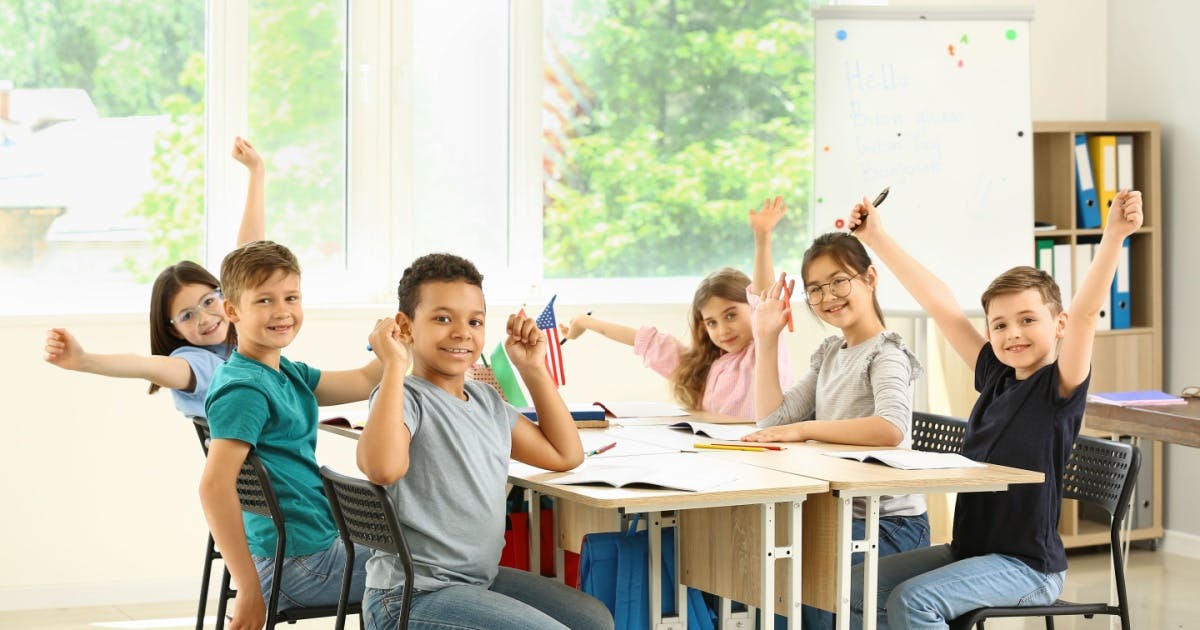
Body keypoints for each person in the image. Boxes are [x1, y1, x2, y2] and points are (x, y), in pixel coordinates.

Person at [846, 188, 1144, 629]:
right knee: (855, 588)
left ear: (1058, 324)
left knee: (913, 601)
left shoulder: (1058, 387)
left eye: (1028, 320)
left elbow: (1085, 314)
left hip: (1027, 567)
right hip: (970, 551)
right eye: (999, 325)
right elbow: (941, 305)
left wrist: (1115, 234)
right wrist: (877, 237)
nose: (1013, 334)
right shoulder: (996, 375)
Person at [356, 253, 613, 630]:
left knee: (595, 621)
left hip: (476, 581)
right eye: (443, 318)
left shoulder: (487, 401)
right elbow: (383, 467)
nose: (462, 332)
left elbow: (565, 455)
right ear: (406, 328)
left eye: (474, 321)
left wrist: (532, 368)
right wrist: (395, 364)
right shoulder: (404, 396)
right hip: (410, 595)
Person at [743, 231, 929, 630]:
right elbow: (773, 421)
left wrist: (806, 429)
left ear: (870, 278)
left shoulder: (887, 353)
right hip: (841, 514)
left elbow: (891, 427)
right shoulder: (830, 353)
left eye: (839, 281)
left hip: (890, 525)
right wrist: (766, 337)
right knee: (764, 557)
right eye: (815, 289)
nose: (828, 297)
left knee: (801, 565)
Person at [199, 240, 384, 630]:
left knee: (417, 552)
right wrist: (249, 590)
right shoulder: (246, 390)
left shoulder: (286, 373)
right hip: (299, 563)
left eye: (291, 297)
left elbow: (367, 379)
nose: (282, 311)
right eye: (264, 301)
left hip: (305, 549)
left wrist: (404, 339)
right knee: (433, 570)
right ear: (232, 310)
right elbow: (214, 487)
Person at [42, 137, 267, 419]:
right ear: (174, 330)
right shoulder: (198, 364)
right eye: (187, 316)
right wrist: (84, 360)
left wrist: (256, 172)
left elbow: (249, 259)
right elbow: (147, 366)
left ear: (225, 296)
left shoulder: (242, 340)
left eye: (208, 301)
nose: (204, 318)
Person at [558, 197, 792, 418]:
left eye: (730, 315)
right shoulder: (705, 368)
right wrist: (585, 322)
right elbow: (646, 341)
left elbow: (764, 300)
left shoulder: (765, 347)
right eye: (712, 322)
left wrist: (762, 238)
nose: (723, 330)